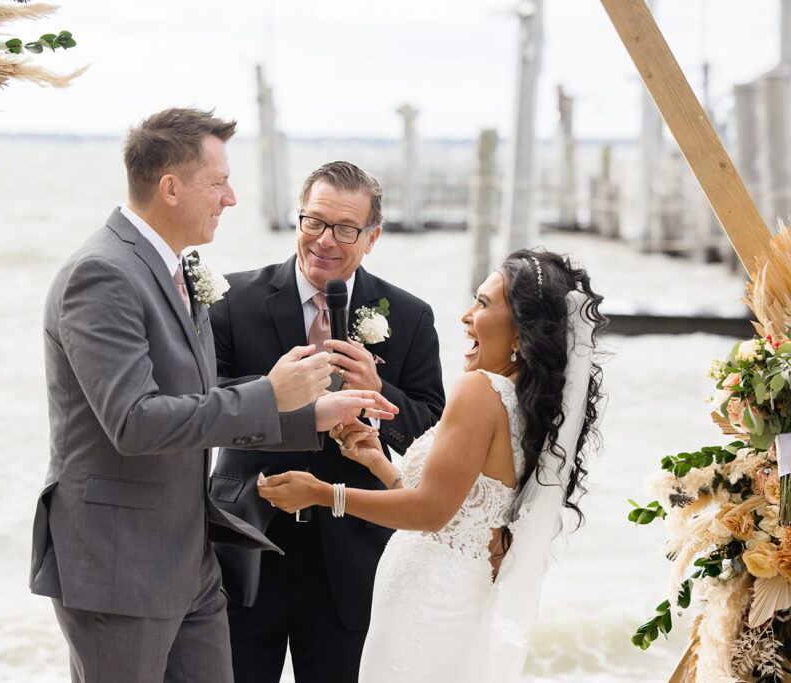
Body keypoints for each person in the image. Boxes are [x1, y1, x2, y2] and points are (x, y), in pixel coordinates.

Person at [28, 108, 397, 683]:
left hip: (192, 559)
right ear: (171, 188)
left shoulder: (176, 268)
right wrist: (271, 395)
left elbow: (195, 405)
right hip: (120, 561)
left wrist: (312, 416)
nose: (230, 198)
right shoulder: (101, 274)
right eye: (218, 182)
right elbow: (133, 422)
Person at [258, 248, 607, 681]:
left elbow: (430, 512)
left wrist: (322, 493)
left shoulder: (479, 389)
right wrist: (375, 463)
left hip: (428, 605)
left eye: (482, 304)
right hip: (455, 596)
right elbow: (463, 510)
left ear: (520, 330)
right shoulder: (525, 406)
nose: (465, 316)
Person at [209, 161, 444, 682]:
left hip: (354, 549)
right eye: (313, 221)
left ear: (372, 236)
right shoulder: (230, 300)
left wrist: (382, 391)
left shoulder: (408, 316)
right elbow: (205, 405)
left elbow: (432, 429)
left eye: (344, 228)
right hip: (248, 537)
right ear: (298, 220)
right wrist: (270, 393)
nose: (325, 241)